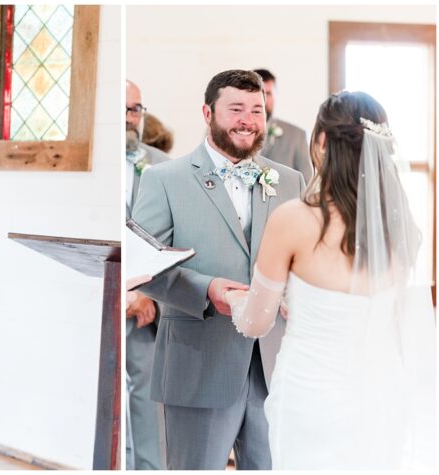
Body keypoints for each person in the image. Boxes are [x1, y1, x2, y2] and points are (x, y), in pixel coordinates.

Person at [226, 91, 436, 469]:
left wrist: (233, 298)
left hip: (310, 397)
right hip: (380, 398)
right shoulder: (402, 229)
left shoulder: (294, 219)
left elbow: (255, 322)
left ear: (322, 143)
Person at [131, 69, 304, 470]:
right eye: (236, 109)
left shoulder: (290, 181)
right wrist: (207, 290)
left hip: (274, 368)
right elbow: (145, 265)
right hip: (198, 363)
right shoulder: (164, 179)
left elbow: (302, 261)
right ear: (208, 113)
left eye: (257, 110)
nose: (248, 120)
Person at [123, 79, 168, 471]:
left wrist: (147, 293)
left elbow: (173, 237)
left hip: (147, 304)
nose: (131, 118)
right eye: (123, 109)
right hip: (98, 295)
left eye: (136, 109)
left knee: (147, 396)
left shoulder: (163, 166)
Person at [254, 69, 313, 183]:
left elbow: (307, 184)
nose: (263, 100)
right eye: (258, 93)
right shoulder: (232, 132)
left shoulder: (297, 135)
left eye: (268, 93)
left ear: (276, 95)